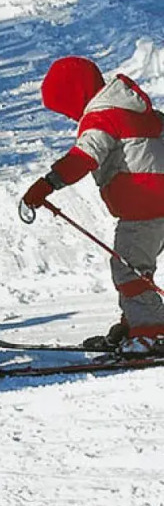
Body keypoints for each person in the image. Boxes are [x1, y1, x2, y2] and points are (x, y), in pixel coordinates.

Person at [21, 56, 164, 352]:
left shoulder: (101, 117)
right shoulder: (140, 111)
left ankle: (151, 332)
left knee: (128, 270)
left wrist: (46, 184)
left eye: (66, 108)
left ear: (76, 94)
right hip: (157, 207)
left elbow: (84, 157)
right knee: (138, 268)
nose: (70, 117)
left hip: (143, 208)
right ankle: (135, 321)